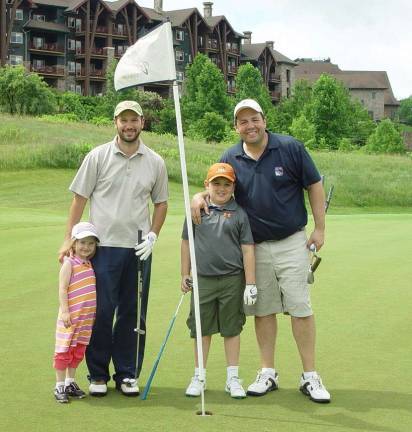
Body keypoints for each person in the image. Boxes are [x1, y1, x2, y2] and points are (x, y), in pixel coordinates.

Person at [191, 99, 331, 403]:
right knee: (263, 309)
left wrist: (319, 229)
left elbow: (315, 185)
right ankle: (268, 371)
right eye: (243, 122)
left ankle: (310, 376)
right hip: (253, 248)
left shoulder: (290, 148)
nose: (249, 126)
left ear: (264, 120)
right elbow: (218, 185)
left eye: (254, 119)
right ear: (236, 127)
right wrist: (197, 195)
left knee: (300, 307)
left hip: (292, 241)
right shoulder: (231, 155)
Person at [59, 100, 168, 397]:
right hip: (102, 248)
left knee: (133, 314)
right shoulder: (98, 156)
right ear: (116, 123)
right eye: (124, 120)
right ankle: (97, 374)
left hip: (138, 249)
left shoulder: (155, 161)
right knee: (101, 312)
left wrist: (153, 235)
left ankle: (127, 374)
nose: (129, 125)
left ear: (142, 122)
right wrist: (69, 237)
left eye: (134, 120)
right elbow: (79, 198)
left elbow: (161, 203)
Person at [181, 162, 256, 399]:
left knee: (231, 329)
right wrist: (185, 273)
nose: (221, 189)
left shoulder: (239, 214)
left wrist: (251, 284)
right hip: (202, 280)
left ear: (233, 187)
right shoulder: (197, 211)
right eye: (216, 184)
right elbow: (186, 243)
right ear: (207, 185)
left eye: (226, 184)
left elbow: (248, 250)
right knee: (201, 329)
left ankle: (232, 377)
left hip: (232, 280)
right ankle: (199, 376)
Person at [54, 222, 99, 403]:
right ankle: (59, 386)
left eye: (90, 243)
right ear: (73, 243)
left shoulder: (89, 264)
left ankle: (70, 382)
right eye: (82, 243)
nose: (86, 247)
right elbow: (63, 288)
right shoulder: (69, 263)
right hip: (70, 318)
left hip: (85, 319)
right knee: (64, 350)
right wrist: (65, 311)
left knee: (78, 351)